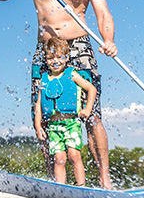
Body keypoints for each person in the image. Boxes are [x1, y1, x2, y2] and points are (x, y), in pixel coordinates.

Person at [0, 0, 117, 189]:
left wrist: (108, 39)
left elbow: (103, 13)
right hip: (46, 50)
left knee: (92, 114)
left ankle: (105, 180)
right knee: (46, 117)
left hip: (79, 47)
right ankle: (56, 184)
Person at [34, 37, 97, 186]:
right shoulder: (44, 80)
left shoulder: (71, 74)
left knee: (74, 156)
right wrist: (38, 126)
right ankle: (61, 188)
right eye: (50, 58)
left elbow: (91, 89)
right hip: (54, 126)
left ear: (66, 57)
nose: (54, 61)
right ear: (46, 59)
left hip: (71, 123)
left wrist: (87, 108)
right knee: (58, 159)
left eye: (58, 57)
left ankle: (81, 186)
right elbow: (38, 105)